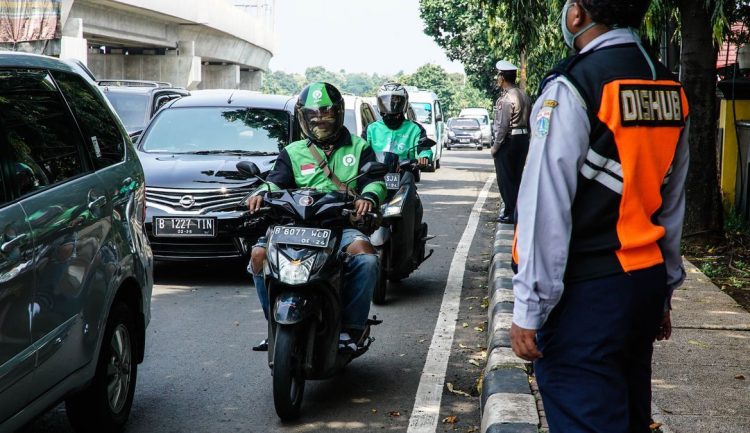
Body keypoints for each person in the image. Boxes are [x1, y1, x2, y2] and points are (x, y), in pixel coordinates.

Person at [509, 1, 689, 432]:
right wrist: (664, 289)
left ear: (577, 15)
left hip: (587, 293)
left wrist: (529, 306)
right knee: (628, 416)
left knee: (584, 411)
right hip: (642, 285)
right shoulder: (669, 87)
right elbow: (671, 197)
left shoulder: (575, 85)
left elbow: (544, 204)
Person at [246, 82, 386, 352]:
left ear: (338, 114)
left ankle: (350, 330)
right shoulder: (293, 151)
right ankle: (273, 325)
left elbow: (375, 182)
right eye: (313, 115)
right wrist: (259, 194)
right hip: (293, 225)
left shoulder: (359, 148)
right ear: (304, 118)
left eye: (326, 114)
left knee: (366, 259)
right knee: (258, 256)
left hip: (339, 225)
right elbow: (275, 182)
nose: (320, 120)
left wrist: (368, 198)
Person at [365, 83, 432, 266]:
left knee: (415, 205)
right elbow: (361, 150)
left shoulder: (414, 129)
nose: (391, 106)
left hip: (403, 178)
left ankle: (412, 242)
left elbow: (424, 149)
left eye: (395, 101)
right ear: (379, 104)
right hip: (376, 178)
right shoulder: (372, 129)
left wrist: (424, 158)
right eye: (386, 102)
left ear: (403, 104)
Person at [491, 60, 531, 224]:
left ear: (502, 77)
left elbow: (503, 126)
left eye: (498, 76)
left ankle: (510, 212)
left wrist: (495, 146)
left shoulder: (507, 98)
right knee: (517, 177)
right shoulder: (523, 95)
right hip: (522, 139)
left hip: (509, 140)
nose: (497, 79)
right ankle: (516, 212)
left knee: (506, 179)